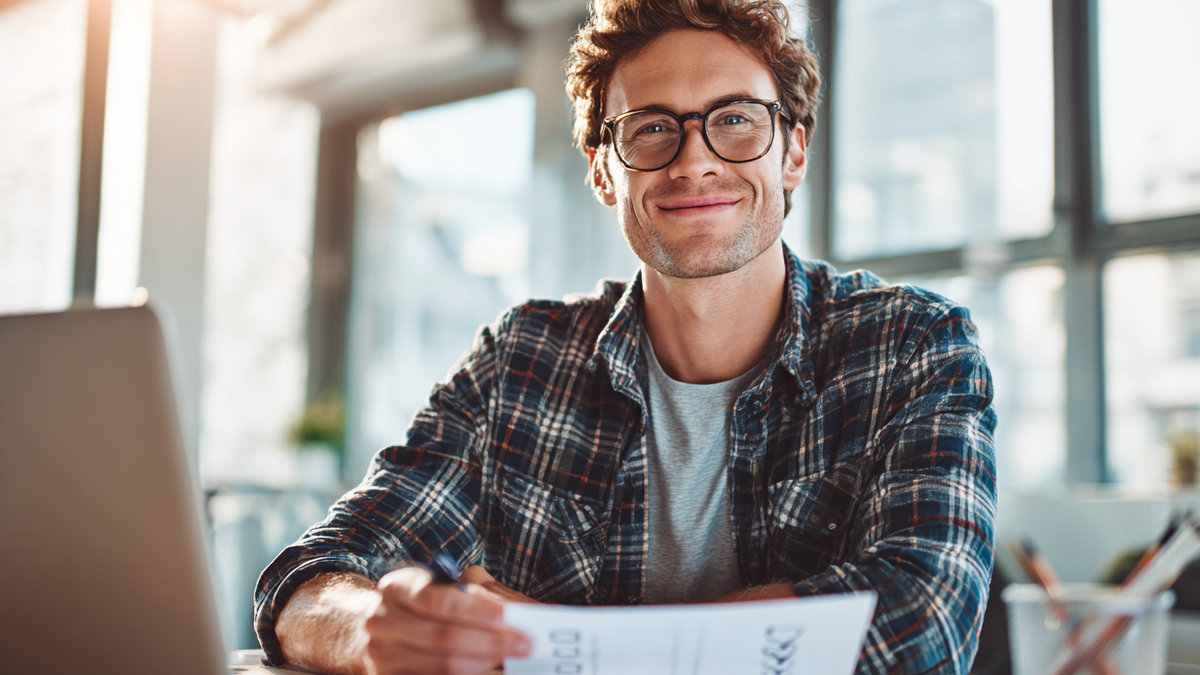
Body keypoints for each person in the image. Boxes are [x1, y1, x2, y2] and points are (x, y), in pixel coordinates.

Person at [253, 0, 998, 672]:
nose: (695, 158)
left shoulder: (914, 346)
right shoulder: (520, 361)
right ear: (604, 173)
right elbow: (311, 574)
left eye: (736, 117)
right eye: (651, 129)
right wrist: (371, 628)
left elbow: (920, 618)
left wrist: (551, 636)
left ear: (792, 151)